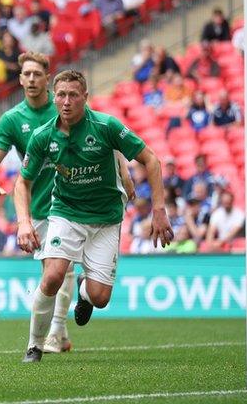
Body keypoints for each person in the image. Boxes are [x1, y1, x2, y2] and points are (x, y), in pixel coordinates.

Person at [14, 70, 172, 362]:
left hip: (106, 219)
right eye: (61, 94)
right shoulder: (42, 136)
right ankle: (34, 346)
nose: (66, 101)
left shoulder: (106, 126)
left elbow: (150, 158)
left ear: (85, 98)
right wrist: (23, 221)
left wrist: (159, 210)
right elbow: (22, 182)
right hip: (65, 213)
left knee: (100, 298)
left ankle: (84, 294)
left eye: (73, 95)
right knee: (52, 277)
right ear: (53, 97)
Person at [0, 54, 134, 355]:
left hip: (69, 203)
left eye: (38, 74)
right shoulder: (13, 120)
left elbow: (104, 139)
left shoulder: (69, 104)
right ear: (20, 79)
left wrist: (123, 170)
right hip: (38, 204)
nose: (32, 79)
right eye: (26, 74)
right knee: (52, 275)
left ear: (47, 79)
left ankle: (54, 334)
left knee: (58, 272)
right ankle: (57, 334)